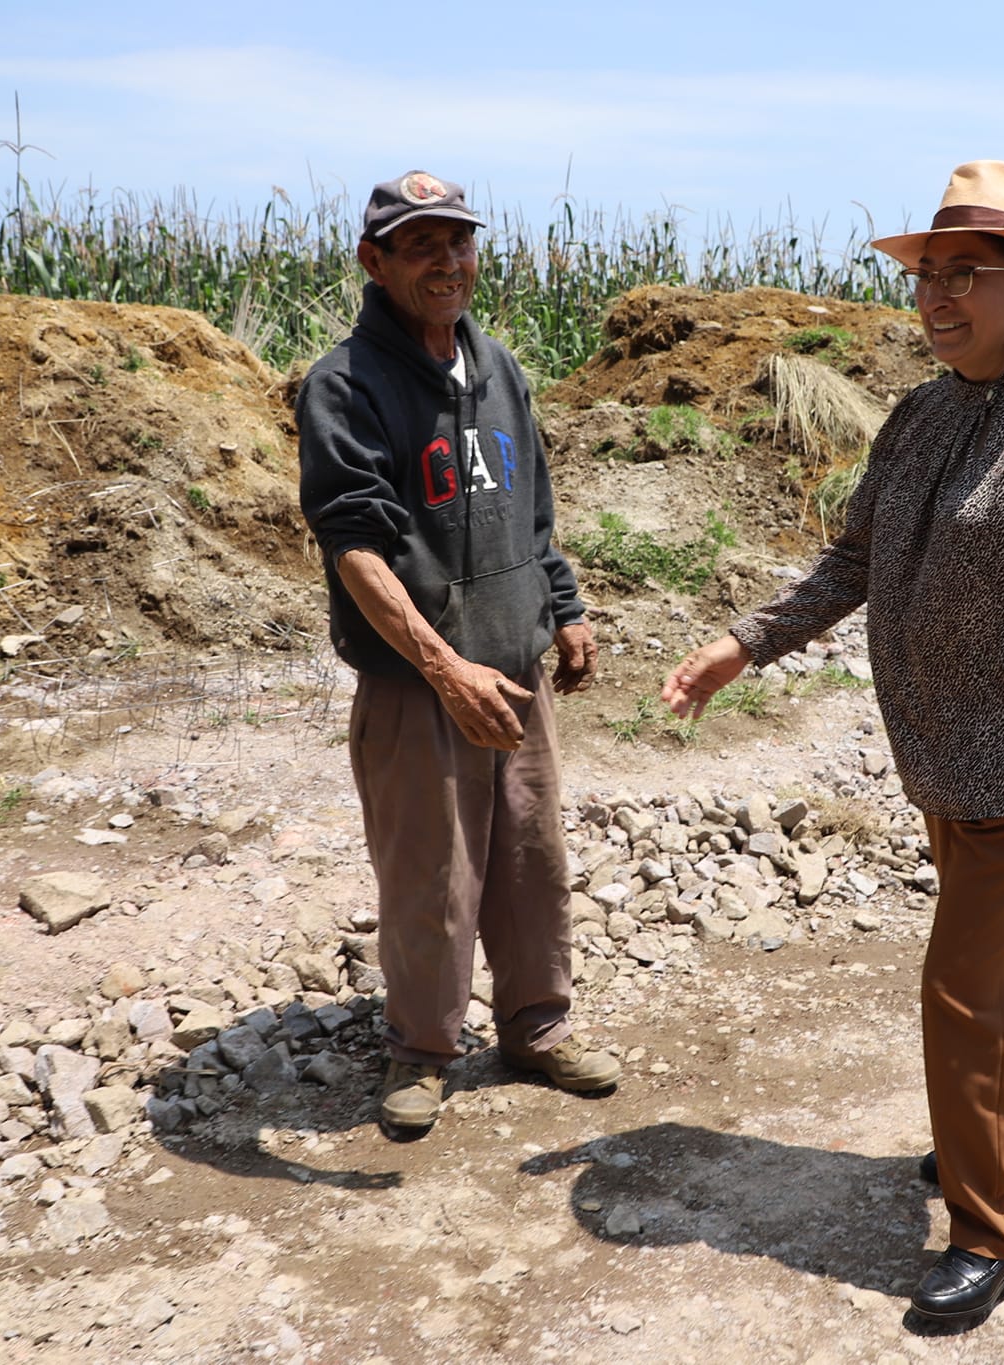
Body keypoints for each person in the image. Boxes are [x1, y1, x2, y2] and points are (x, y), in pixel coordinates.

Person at [662, 161, 1004, 1328]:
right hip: (939, 756)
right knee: (999, 975)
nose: (935, 296)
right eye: (926, 276)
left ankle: (992, 1229)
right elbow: (852, 562)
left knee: (960, 994)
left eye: (963, 276)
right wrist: (748, 643)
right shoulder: (925, 409)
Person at [298, 170, 621, 1137]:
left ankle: (536, 1026)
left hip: (515, 669)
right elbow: (353, 544)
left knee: (530, 858)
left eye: (460, 242)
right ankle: (424, 1048)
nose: (448, 260)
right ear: (375, 261)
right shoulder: (344, 384)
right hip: (417, 679)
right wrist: (443, 666)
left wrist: (561, 607)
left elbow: (534, 510)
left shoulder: (500, 367)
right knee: (431, 874)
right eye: (421, 244)